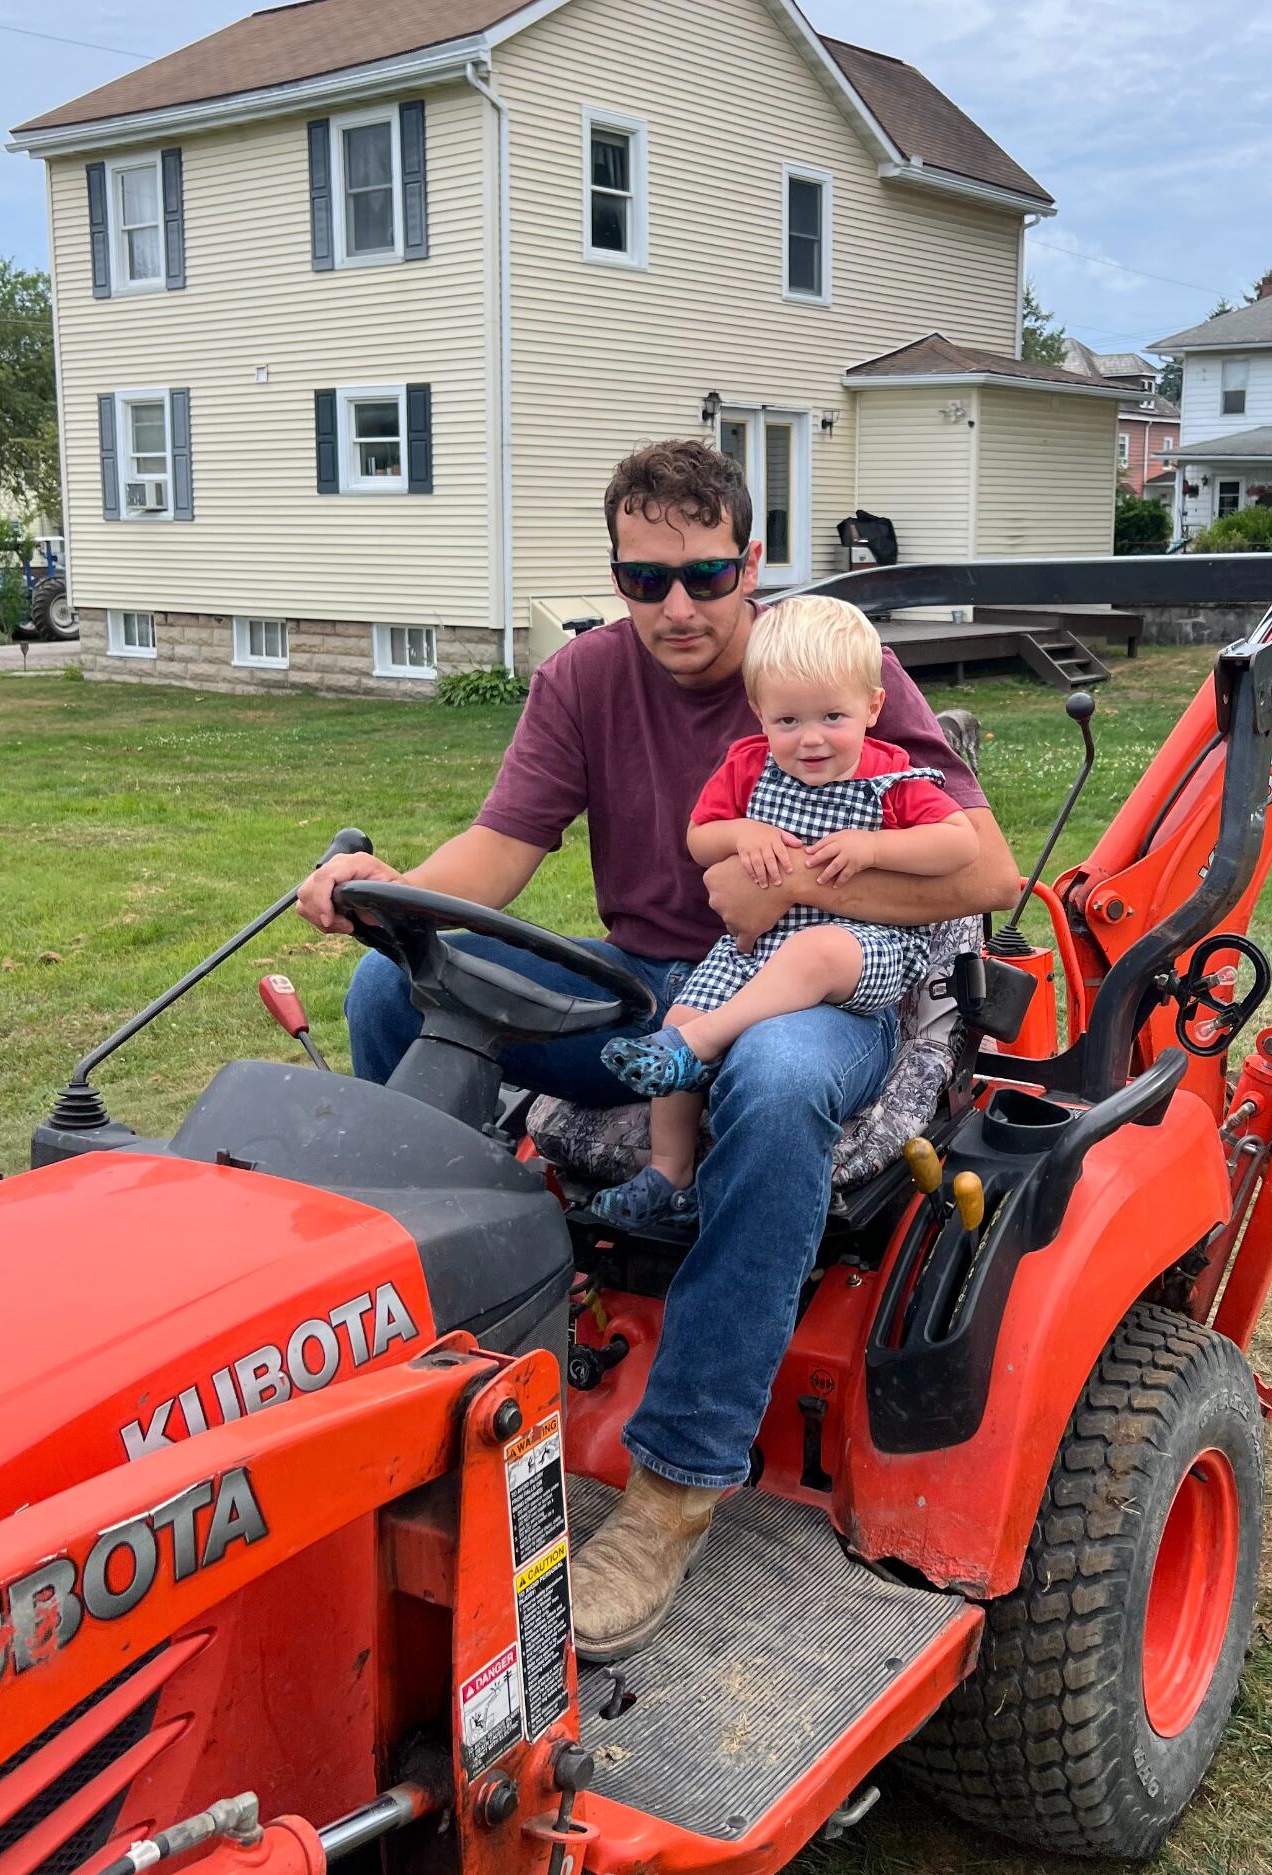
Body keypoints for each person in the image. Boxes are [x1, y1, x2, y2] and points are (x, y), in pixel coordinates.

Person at [297, 439, 1017, 1661]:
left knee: (773, 1080)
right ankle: (456, 1344)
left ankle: (676, 1483)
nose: (677, 607)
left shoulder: (832, 665)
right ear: (617, 576)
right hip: (647, 983)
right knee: (390, 990)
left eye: (704, 575)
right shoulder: (584, 679)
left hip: (823, 993)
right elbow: (501, 849)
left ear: (751, 563)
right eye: (645, 580)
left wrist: (789, 898)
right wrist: (390, 891)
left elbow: (987, 875)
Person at [590, 595, 977, 1230]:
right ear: (759, 712)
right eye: (789, 720)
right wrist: (742, 833)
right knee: (680, 1012)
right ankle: (669, 1168)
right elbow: (699, 838)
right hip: (759, 945)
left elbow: (960, 845)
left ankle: (704, 1044)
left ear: (873, 707)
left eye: (833, 716)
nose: (811, 738)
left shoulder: (896, 781)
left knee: (809, 955)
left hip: (865, 951)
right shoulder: (749, 766)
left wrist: (875, 847)